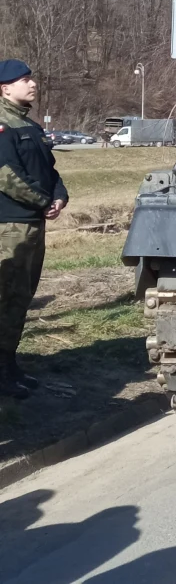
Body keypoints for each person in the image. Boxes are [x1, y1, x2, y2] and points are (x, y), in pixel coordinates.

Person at [0, 60, 67, 400]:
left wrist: (59, 195)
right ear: (4, 88)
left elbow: (47, 169)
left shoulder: (31, 126)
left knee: (21, 299)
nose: (32, 84)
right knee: (6, 298)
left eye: (31, 78)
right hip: (9, 225)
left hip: (31, 224)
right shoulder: (3, 125)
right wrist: (42, 201)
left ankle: (9, 367)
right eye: (24, 80)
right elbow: (6, 175)